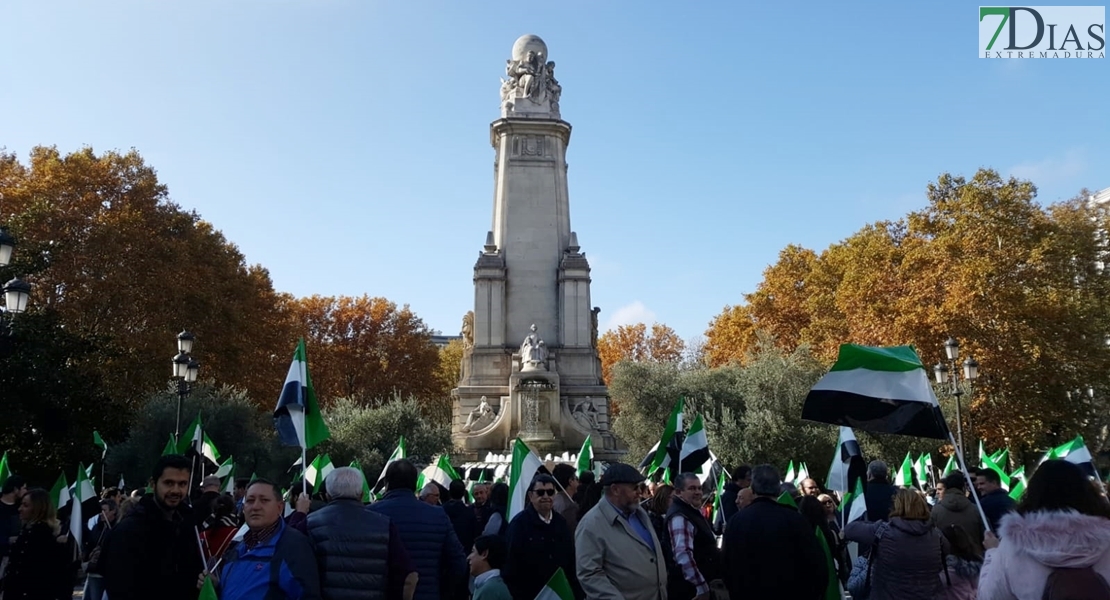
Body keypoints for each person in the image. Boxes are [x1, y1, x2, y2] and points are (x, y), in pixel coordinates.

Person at [978, 459, 1110, 598]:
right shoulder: (1107, 538)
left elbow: (989, 596)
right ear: (1088, 492)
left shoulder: (1013, 545)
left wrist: (993, 553)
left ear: (1033, 493)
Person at [101, 454, 205, 600]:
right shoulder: (129, 531)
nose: (175, 490)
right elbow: (119, 587)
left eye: (182, 484)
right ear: (153, 483)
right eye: (169, 483)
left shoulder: (189, 525)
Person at [305, 467, 417, 600]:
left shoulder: (310, 523)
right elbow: (407, 574)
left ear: (328, 495)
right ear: (361, 494)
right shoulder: (385, 524)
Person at [722, 464, 827, 599]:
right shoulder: (795, 519)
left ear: (753, 488)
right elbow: (816, 564)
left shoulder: (736, 522)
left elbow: (726, 566)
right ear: (778, 489)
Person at [368, 460, 466, 600]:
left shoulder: (370, 514)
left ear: (387, 483)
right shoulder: (438, 516)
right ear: (415, 484)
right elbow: (459, 562)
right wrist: (441, 591)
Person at [575, 463, 667, 600]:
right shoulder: (591, 525)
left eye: (640, 487)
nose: (639, 492)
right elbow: (589, 573)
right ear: (615, 490)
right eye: (634, 488)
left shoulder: (639, 513)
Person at [215, 479, 320, 600]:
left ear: (280, 507)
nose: (255, 506)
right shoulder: (237, 548)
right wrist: (216, 586)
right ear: (243, 508)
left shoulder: (294, 546)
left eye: (264, 500)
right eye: (250, 500)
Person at [843, 488, 949, 600]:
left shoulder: (882, 531)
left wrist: (874, 524)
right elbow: (948, 551)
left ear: (896, 506)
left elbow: (850, 530)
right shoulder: (936, 535)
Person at [503, 474, 582, 600]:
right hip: (530, 594)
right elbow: (510, 564)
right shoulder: (519, 524)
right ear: (530, 496)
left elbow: (570, 558)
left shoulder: (560, 522)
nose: (546, 496)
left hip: (559, 593)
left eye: (550, 492)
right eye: (540, 492)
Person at [1, 488, 74, 600]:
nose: (20, 509)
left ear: (38, 509)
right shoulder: (26, 533)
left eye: (26, 505)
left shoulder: (43, 538)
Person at [666, 473, 722, 600]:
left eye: (699, 488)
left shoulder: (690, 512)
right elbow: (683, 555)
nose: (698, 492)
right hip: (690, 591)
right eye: (692, 488)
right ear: (679, 492)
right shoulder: (680, 516)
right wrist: (701, 587)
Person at [930, 472, 983, 544]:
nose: (937, 492)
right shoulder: (976, 509)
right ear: (964, 487)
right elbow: (986, 535)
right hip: (973, 552)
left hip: (945, 553)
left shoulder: (935, 510)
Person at [83, 498, 120, 600]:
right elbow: (89, 545)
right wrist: (89, 554)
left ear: (113, 511)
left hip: (105, 573)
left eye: (104, 511)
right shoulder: (97, 527)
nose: (101, 514)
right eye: (100, 511)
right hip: (93, 570)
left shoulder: (118, 528)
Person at [469, 535, 510, 600]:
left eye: (473, 551)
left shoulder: (490, 590)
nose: (468, 557)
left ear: (484, 554)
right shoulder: (490, 585)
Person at [975, 469, 1016, 533]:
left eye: (982, 484)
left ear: (994, 483)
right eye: (977, 485)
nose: (979, 487)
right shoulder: (1012, 501)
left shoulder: (983, 504)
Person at [551, 464, 581, 533]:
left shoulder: (556, 499)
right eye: (576, 478)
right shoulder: (567, 506)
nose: (578, 482)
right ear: (570, 481)